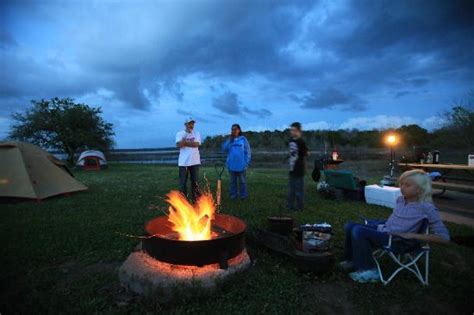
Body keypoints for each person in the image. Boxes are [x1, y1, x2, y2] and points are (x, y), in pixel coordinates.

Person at [340, 169, 450, 283]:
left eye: (407, 185)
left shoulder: (427, 207)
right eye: (401, 184)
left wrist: (412, 235)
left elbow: (444, 237)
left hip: (399, 241)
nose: (402, 187)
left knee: (359, 231)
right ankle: (352, 260)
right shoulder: (401, 200)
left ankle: (369, 271)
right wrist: (377, 225)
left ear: (420, 189)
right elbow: (396, 221)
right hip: (386, 232)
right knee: (350, 225)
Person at [222, 124, 251, 200]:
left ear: (239, 130)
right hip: (231, 165)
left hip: (242, 165)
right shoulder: (230, 140)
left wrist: (246, 163)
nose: (233, 131)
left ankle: (243, 197)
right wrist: (229, 140)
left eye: (235, 129)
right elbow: (224, 148)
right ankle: (233, 196)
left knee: (242, 182)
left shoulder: (243, 139)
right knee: (232, 183)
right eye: (232, 129)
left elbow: (248, 152)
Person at [176, 118, 201, 201]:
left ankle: (196, 201)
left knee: (195, 182)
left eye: (192, 123)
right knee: (182, 183)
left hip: (195, 161)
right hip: (183, 162)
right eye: (189, 124)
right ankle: (183, 202)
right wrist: (186, 135)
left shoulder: (197, 133)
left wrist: (185, 143)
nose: (191, 125)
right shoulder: (180, 134)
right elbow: (178, 145)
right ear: (185, 124)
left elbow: (196, 144)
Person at [287, 122, 309, 211]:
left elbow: (306, 153)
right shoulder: (291, 141)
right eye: (291, 130)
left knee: (299, 191)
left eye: (294, 130)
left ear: (299, 131)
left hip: (299, 169)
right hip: (292, 169)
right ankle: (290, 206)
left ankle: (300, 207)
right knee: (291, 190)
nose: (292, 132)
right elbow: (291, 152)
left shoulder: (301, 142)